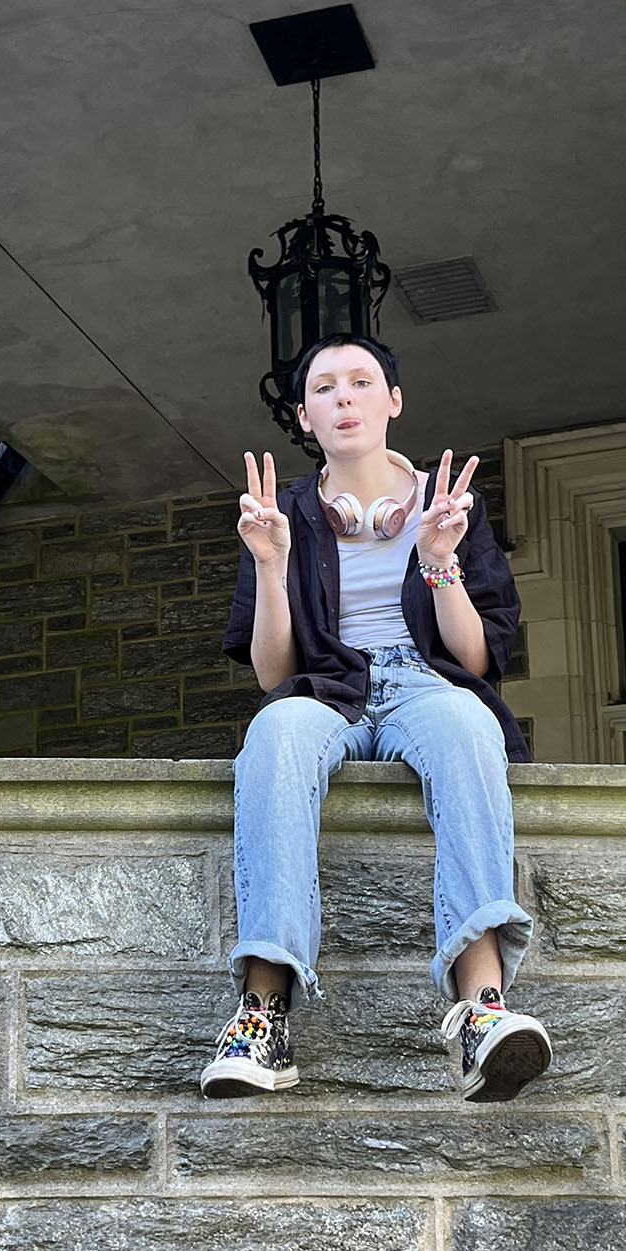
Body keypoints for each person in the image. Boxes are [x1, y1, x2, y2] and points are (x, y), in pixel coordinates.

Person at [200, 332, 553, 1103]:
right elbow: (272, 674)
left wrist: (439, 559)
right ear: (305, 416)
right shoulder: (282, 511)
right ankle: (262, 1017)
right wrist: (268, 564)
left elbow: (477, 656)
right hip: (326, 686)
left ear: (393, 402)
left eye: (362, 383)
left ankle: (483, 1011)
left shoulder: (449, 502)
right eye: (325, 389)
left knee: (469, 727)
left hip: (425, 682)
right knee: (274, 735)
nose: (345, 398)